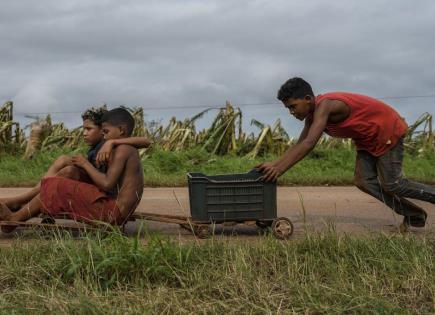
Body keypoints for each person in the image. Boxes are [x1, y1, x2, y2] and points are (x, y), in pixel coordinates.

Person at [257, 77, 435, 229]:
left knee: (393, 184)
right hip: (367, 139)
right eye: (288, 108)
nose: (291, 112)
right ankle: (413, 214)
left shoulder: (325, 106)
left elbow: (310, 143)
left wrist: (280, 170)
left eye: (293, 106)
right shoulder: (312, 116)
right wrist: (274, 164)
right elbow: (301, 143)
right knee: (363, 181)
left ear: (308, 98)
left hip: (386, 129)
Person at [0, 107, 145, 232]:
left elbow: (107, 184)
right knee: (63, 176)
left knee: (57, 185)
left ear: (121, 130)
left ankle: (14, 219)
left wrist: (85, 164)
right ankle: (21, 207)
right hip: (114, 210)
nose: (104, 135)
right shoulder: (123, 147)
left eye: (106, 132)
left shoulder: (123, 150)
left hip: (113, 214)